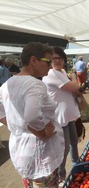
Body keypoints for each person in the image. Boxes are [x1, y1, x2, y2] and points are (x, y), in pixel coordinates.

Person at [0, 42, 64, 187]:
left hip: (21, 150)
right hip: (40, 154)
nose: (50, 65)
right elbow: (32, 116)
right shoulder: (34, 84)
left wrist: (16, 126)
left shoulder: (7, 85)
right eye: (48, 61)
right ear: (33, 60)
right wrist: (40, 132)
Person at [42, 47, 81, 185]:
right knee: (63, 148)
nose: (57, 61)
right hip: (59, 117)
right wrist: (75, 79)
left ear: (64, 59)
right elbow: (75, 86)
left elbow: (73, 88)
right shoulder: (51, 74)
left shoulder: (63, 71)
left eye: (60, 58)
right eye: (54, 58)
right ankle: (61, 175)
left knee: (74, 141)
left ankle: (77, 163)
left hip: (68, 115)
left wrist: (73, 82)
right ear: (50, 61)